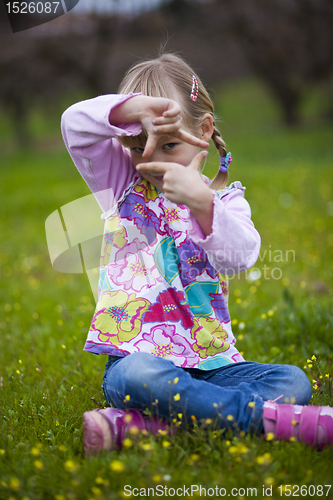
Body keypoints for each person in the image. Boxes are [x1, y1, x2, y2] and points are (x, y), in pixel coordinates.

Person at [61, 53, 332, 456]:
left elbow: (240, 257)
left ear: (203, 131)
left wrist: (203, 204)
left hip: (216, 368)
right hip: (138, 362)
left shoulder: (224, 200)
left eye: (167, 144)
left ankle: (144, 428)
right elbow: (74, 125)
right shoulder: (121, 184)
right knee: (138, 375)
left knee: (292, 382)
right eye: (137, 147)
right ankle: (266, 422)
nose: (149, 160)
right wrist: (132, 109)